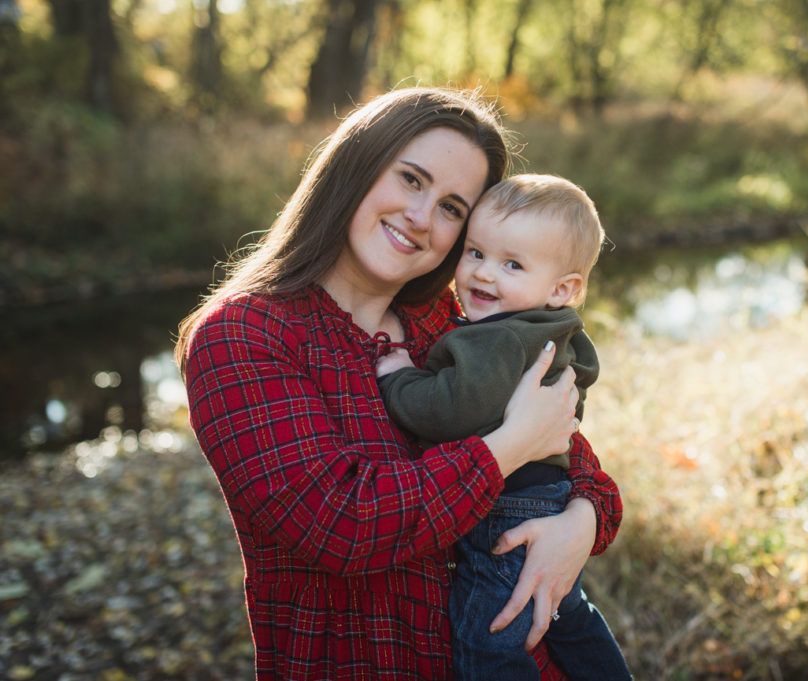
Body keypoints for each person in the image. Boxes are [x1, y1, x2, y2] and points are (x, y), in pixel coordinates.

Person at [174, 87, 622, 680]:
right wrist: (507, 448)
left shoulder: (452, 322)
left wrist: (578, 524)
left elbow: (576, 460)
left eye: (452, 208)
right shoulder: (244, 335)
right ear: (355, 167)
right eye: (411, 180)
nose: (421, 218)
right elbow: (342, 526)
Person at [375, 174, 632, 681]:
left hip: (505, 513)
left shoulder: (495, 340)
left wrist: (398, 377)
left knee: (488, 637)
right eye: (475, 253)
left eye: (512, 264)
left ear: (563, 288)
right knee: (565, 613)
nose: (484, 275)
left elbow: (450, 408)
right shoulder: (554, 330)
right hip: (549, 497)